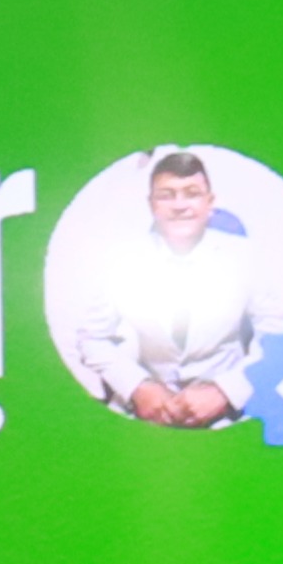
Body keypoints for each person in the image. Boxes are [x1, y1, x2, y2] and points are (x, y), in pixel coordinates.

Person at [76, 149, 266, 427]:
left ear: (209, 202)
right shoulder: (122, 259)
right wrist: (137, 387)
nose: (180, 205)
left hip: (230, 418)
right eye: (167, 195)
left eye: (192, 193)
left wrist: (225, 392)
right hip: (149, 416)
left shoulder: (246, 255)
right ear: (151, 205)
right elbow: (92, 339)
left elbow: (278, 335)